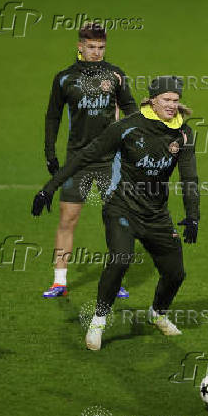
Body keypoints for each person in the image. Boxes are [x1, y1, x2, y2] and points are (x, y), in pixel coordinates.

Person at [32, 76, 200, 351]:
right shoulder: (127, 127)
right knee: (121, 259)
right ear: (152, 100)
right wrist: (49, 189)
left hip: (156, 214)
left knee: (176, 273)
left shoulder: (183, 133)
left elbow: (189, 177)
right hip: (121, 207)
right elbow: (86, 155)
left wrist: (193, 216)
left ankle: (157, 314)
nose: (172, 105)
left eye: (175, 100)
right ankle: (98, 321)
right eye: (166, 100)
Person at [43, 22, 137, 298]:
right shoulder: (64, 79)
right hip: (78, 159)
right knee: (68, 218)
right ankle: (59, 282)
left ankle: (114, 279)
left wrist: (136, 137)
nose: (97, 52)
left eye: (101, 47)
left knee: (116, 219)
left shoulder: (116, 75)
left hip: (111, 159)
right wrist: (50, 152)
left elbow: (129, 107)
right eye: (92, 47)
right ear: (80, 46)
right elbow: (53, 116)